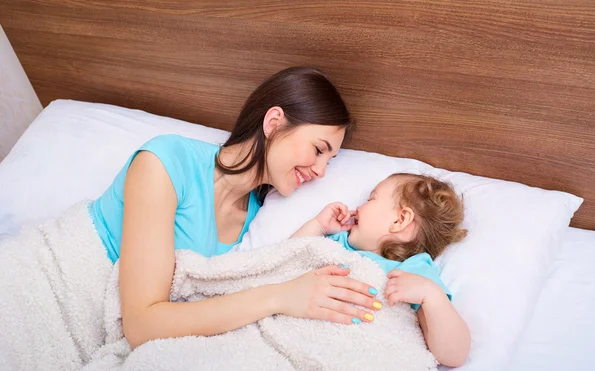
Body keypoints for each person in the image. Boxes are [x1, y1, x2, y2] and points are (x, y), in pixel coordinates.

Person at [89, 66, 384, 349]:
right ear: (274, 122)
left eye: (329, 162)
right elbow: (141, 325)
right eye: (318, 150)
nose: (320, 171)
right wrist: (280, 297)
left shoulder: (256, 217)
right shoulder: (166, 162)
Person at [291, 173, 471, 367]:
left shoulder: (414, 271)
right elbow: (286, 260)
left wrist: (432, 296)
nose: (358, 207)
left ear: (399, 220)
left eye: (371, 199)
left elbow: (454, 354)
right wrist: (318, 226)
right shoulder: (338, 244)